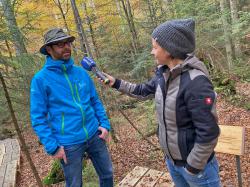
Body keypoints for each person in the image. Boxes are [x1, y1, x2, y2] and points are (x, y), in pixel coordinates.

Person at [94, 18, 221, 187]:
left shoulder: (195, 82)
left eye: (155, 47)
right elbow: (142, 91)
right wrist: (115, 82)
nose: (152, 52)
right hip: (174, 164)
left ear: (169, 49)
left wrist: (192, 167)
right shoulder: (164, 74)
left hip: (198, 171)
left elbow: (209, 132)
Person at [30, 28, 113, 187]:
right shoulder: (40, 80)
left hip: (94, 134)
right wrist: (53, 147)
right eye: (60, 45)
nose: (66, 47)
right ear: (49, 49)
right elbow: (38, 118)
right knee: (74, 184)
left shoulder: (81, 73)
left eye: (67, 43)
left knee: (107, 174)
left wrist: (104, 124)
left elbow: (94, 101)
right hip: (68, 143)